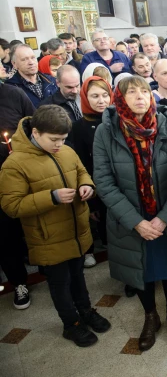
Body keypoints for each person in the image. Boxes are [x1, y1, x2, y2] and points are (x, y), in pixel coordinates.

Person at [93, 75, 167, 351]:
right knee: (141, 270)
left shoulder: (166, 124)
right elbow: (103, 181)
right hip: (131, 220)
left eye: (144, 91)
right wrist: (137, 222)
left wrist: (165, 217)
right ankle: (151, 315)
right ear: (120, 99)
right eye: (132, 92)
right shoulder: (106, 131)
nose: (140, 96)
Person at [0, 105, 111, 347]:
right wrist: (52, 197)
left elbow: (82, 172)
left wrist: (86, 187)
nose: (59, 144)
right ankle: (70, 324)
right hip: (47, 237)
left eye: (63, 139)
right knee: (60, 284)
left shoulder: (67, 151)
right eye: (54, 139)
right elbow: (12, 205)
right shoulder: (15, 163)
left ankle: (86, 311)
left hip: (75, 231)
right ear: (36, 132)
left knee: (78, 277)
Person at [0, 74, 35, 311]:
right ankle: (19, 282)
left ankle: (47, 266)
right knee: (4, 234)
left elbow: (33, 125)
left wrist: (21, 151)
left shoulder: (13, 93)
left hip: (21, 172)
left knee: (32, 221)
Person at [71, 76, 113, 268]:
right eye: (94, 96)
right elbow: (83, 165)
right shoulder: (79, 127)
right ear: (85, 98)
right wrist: (93, 202)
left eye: (105, 95)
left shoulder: (118, 118)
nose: (101, 100)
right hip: (100, 186)